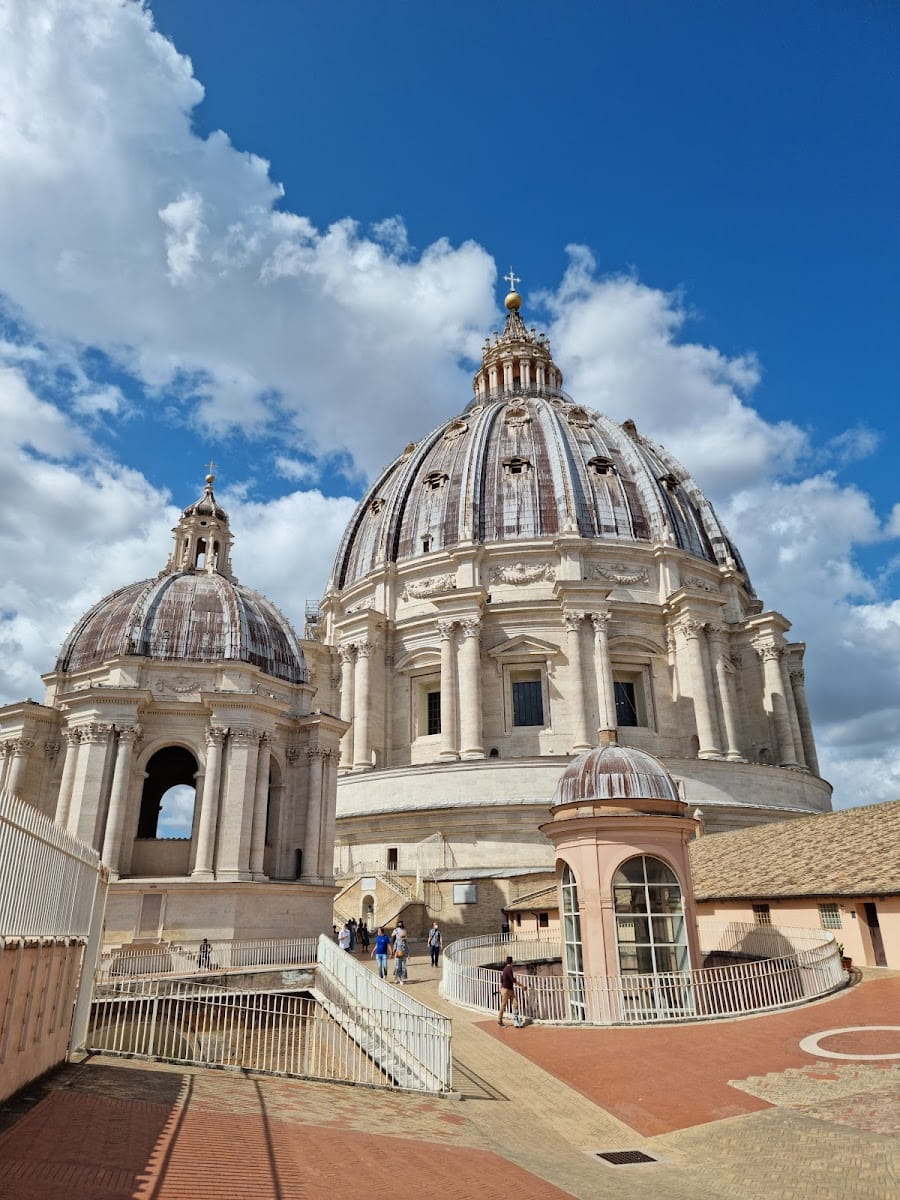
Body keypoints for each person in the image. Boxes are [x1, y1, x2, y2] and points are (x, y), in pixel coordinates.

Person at [497, 955, 524, 1027]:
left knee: (515, 1004)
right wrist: (522, 985)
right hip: (506, 990)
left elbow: (501, 980)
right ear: (512, 962)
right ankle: (499, 1021)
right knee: (504, 1005)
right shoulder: (509, 969)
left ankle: (516, 1021)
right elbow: (513, 980)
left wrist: (500, 988)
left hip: (509, 990)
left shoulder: (504, 969)